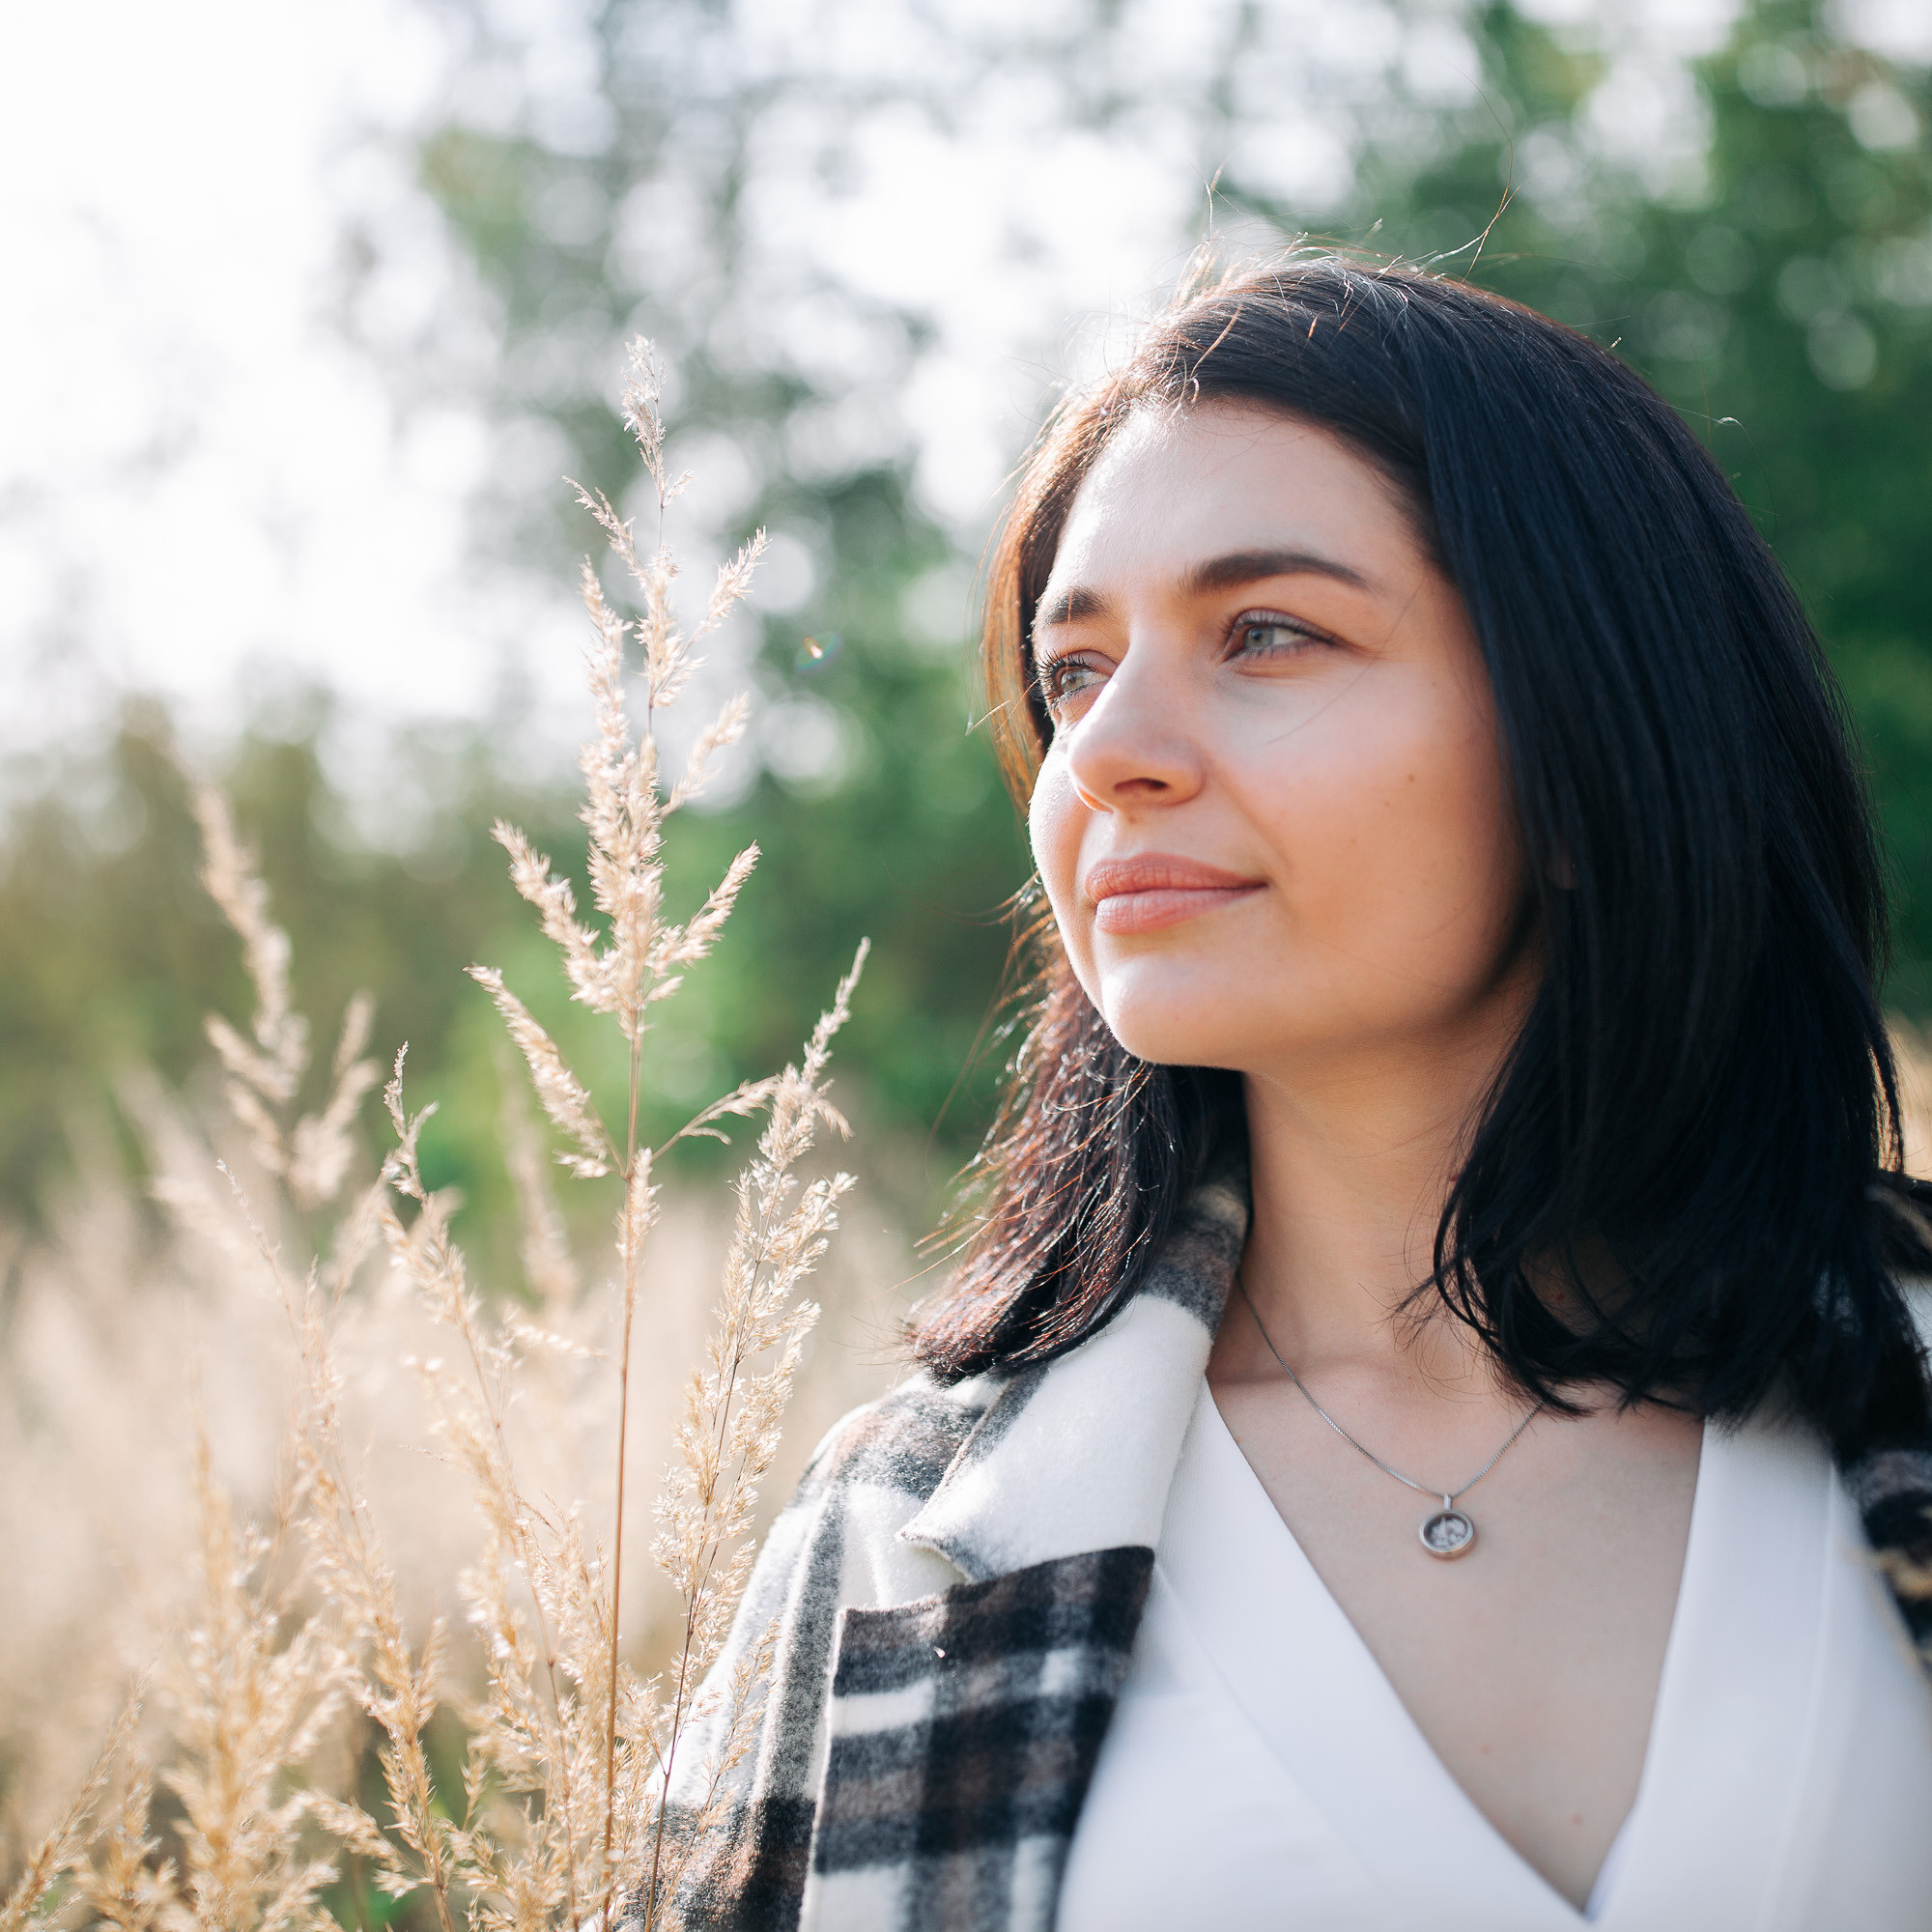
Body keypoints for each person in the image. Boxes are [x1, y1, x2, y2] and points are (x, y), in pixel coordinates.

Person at [655, 258, 1932, 1931]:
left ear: (1591, 745)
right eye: (1076, 672)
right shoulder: (901, 1548)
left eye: (1269, 633)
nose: (1107, 752)